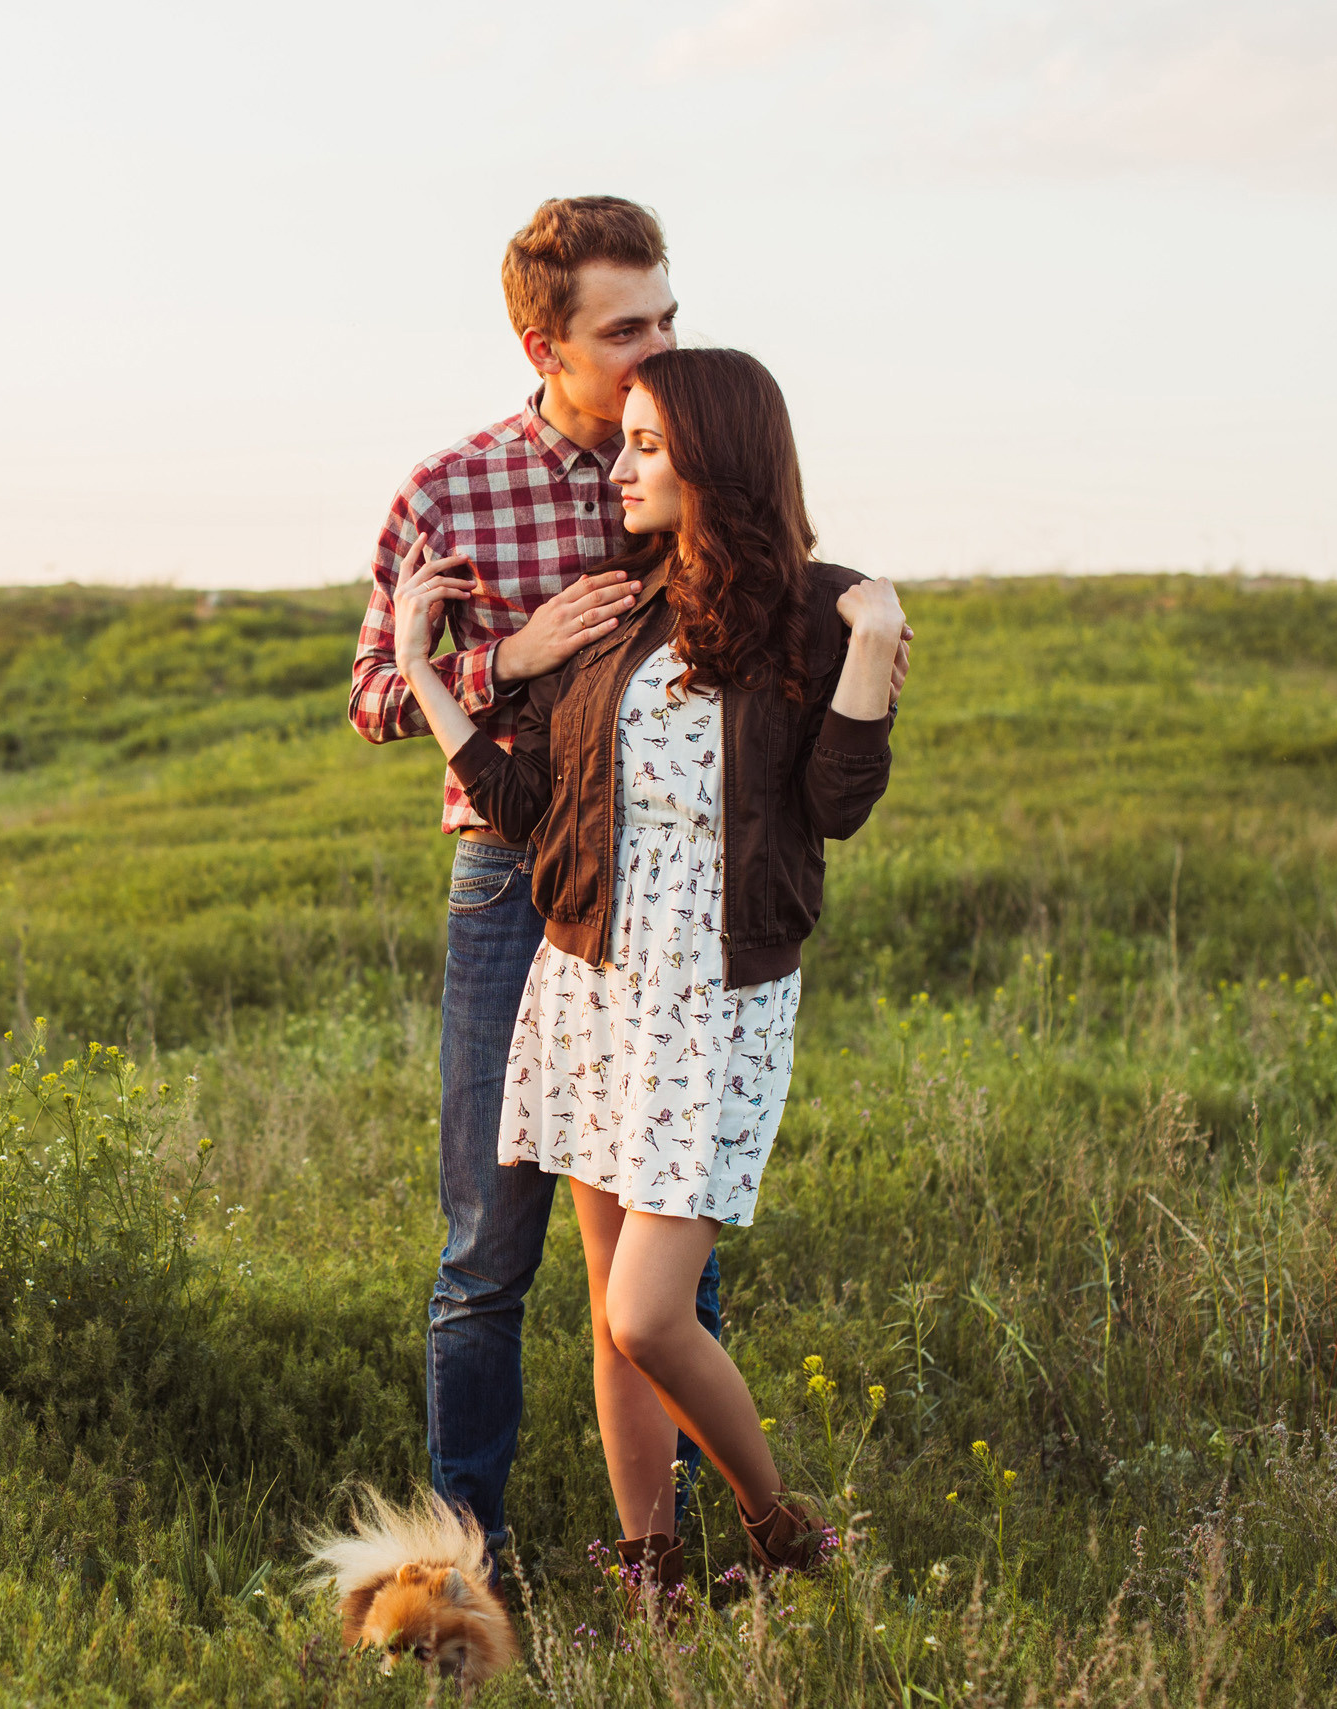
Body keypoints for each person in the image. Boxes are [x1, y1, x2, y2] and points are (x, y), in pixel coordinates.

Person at [384, 345, 908, 1590]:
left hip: (716, 1000)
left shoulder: (818, 612)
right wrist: (425, 671)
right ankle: (653, 1567)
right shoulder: (615, 609)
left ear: (717, 462)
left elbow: (837, 805)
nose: (618, 468)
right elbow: (525, 804)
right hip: (592, 986)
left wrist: (877, 649)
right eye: (622, 442)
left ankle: (783, 1533)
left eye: (647, 447)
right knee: (612, 1319)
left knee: (648, 1312)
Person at [348, 196, 712, 1560]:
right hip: (510, 885)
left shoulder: (701, 460)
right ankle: (468, 1564)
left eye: (670, 317)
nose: (658, 347)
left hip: (660, 899)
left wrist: (870, 612)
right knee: (486, 1257)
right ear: (541, 340)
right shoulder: (449, 492)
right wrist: (515, 657)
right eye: (627, 329)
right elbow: (377, 694)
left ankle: (669, 1557)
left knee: (668, 1269)